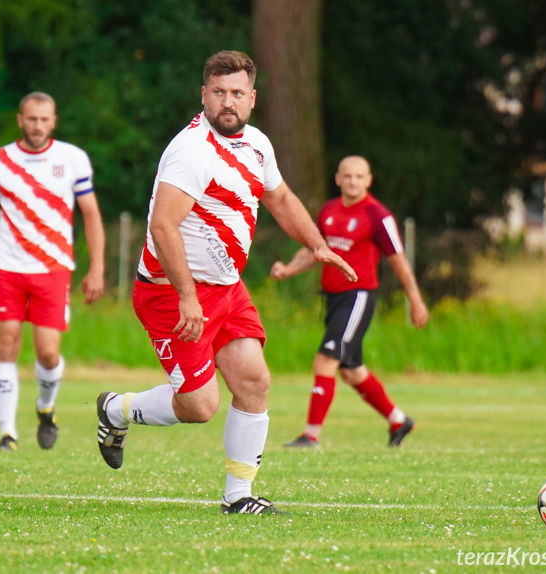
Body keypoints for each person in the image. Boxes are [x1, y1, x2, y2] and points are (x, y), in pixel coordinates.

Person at [94, 51, 357, 515]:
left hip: (226, 287)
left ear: (253, 98)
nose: (227, 102)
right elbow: (162, 227)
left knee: (254, 380)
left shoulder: (257, 144)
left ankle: (239, 496)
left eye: (237, 93)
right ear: (204, 95)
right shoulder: (191, 152)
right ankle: (115, 409)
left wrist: (316, 245)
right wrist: (187, 296)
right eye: (218, 92)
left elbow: (279, 198)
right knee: (199, 407)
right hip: (169, 291)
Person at [0, 91, 105, 452]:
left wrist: (97, 267)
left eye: (44, 119)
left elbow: (90, 214)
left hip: (53, 268)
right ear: (20, 120)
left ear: (53, 122)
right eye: (31, 118)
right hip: (7, 266)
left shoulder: (72, 158)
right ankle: (7, 433)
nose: (37, 125)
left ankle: (45, 406)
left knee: (47, 353)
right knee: (6, 341)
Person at [271, 155, 429, 449]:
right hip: (333, 297)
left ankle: (311, 435)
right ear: (337, 179)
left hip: (358, 296)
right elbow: (315, 250)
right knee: (351, 371)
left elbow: (399, 261)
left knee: (326, 359)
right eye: (347, 176)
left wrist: (416, 301)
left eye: (359, 176)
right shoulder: (329, 211)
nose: (352, 181)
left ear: (368, 180)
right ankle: (399, 420)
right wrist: (289, 269)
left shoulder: (378, 215)